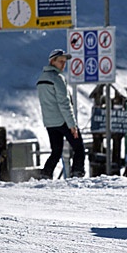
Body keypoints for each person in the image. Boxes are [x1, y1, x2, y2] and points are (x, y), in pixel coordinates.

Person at [36, 49, 85, 179]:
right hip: (63, 121)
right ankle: (77, 174)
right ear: (52, 61)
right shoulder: (57, 79)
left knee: (56, 152)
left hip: (50, 122)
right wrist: (72, 125)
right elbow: (64, 103)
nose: (64, 64)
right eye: (61, 61)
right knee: (79, 148)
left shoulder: (41, 78)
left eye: (65, 62)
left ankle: (45, 175)